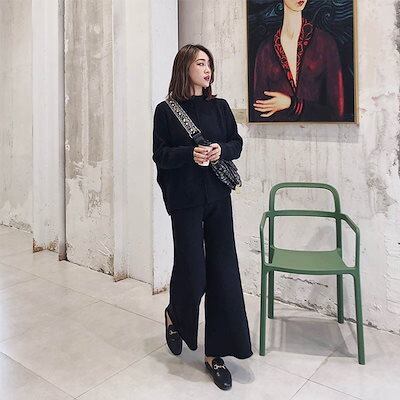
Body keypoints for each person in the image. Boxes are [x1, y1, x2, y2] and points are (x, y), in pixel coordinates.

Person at [152, 44, 253, 390]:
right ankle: (175, 314)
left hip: (218, 198)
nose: (207, 69)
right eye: (200, 63)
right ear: (185, 68)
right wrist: (189, 154)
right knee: (192, 270)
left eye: (209, 63)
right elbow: (161, 155)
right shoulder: (165, 111)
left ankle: (215, 354)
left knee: (223, 272)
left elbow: (236, 143)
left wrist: (220, 149)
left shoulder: (220, 107)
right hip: (186, 202)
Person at [252, 0, 345, 122]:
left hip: (321, 133)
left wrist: (292, 104)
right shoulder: (265, 49)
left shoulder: (325, 43)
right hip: (276, 132)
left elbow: (336, 114)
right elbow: (258, 112)